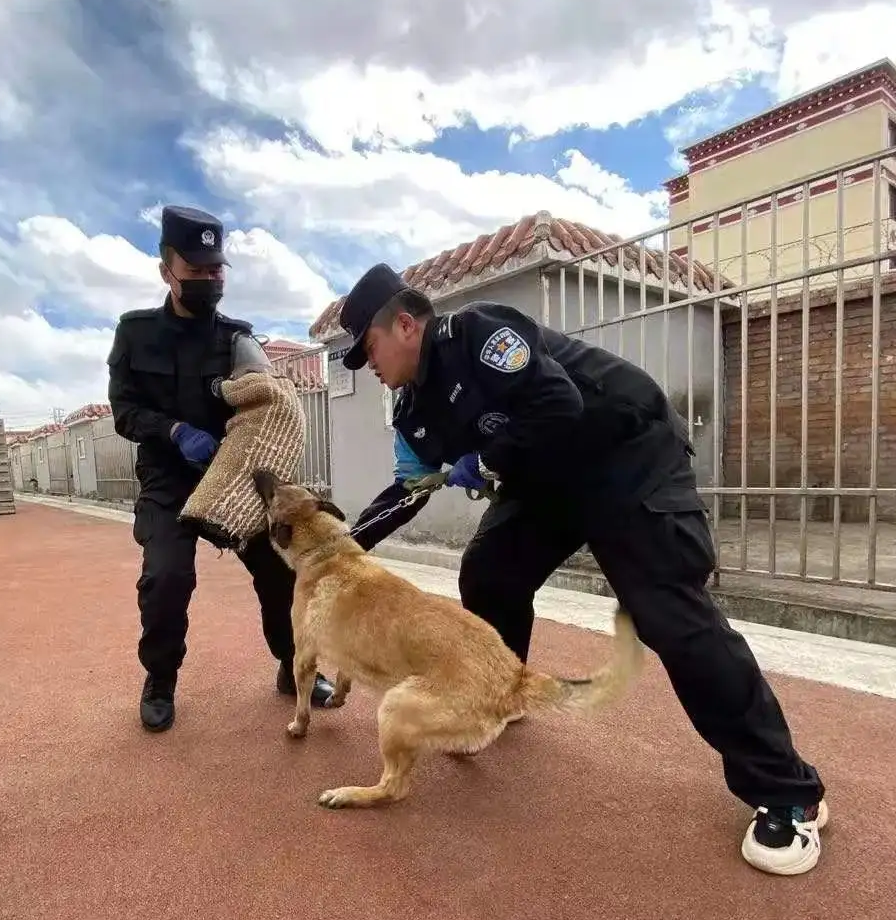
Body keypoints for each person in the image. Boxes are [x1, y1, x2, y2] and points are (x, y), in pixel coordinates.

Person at [337, 261, 829, 876]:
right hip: (546, 483)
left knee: (666, 612)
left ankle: (789, 790)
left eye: (369, 349)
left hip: (626, 457)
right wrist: (329, 550)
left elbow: (556, 403)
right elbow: (408, 491)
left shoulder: (478, 334)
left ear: (405, 324)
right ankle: (497, 695)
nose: (371, 368)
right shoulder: (411, 413)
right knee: (489, 571)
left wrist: (486, 459)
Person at [107, 205, 334, 731]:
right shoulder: (135, 334)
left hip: (234, 478)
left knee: (281, 571)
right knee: (166, 577)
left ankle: (292, 667)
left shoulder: (237, 337)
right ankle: (160, 678)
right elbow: (123, 411)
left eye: (217, 269)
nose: (211, 280)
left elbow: (267, 396)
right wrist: (174, 432)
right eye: (197, 270)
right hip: (170, 478)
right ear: (168, 270)